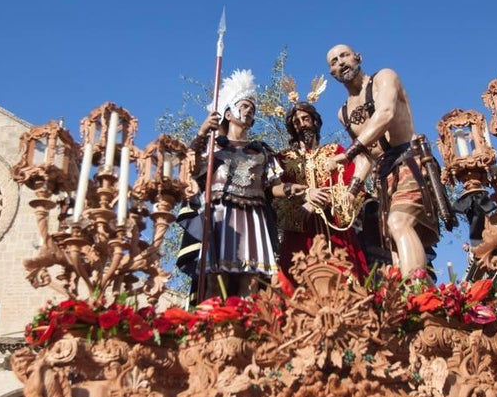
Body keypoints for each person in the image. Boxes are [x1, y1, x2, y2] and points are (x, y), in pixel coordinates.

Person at [326, 44, 441, 278]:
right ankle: (415, 302)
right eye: (334, 61)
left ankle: (417, 295)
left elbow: (385, 114)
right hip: (384, 174)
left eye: (344, 55)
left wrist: (347, 153)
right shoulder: (343, 112)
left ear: (358, 57)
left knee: (399, 223)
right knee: (392, 241)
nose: (341, 62)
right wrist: (352, 190)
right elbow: (366, 156)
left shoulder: (384, 78)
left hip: (409, 160)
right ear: (332, 73)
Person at [188, 70, 297, 297]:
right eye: (244, 105)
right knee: (215, 279)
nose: (249, 111)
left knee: (251, 279)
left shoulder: (261, 151)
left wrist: (288, 189)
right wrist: (201, 133)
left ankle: (248, 328)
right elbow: (189, 167)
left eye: (252, 108)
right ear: (228, 113)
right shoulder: (213, 147)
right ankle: (212, 326)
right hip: (220, 214)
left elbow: (272, 186)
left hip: (253, 216)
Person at [275, 101, 368, 278]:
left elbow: (355, 188)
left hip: (334, 232)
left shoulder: (335, 151)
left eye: (305, 119)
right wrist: (306, 201)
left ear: (314, 121)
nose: (302, 125)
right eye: (296, 122)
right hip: (300, 235)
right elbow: (276, 198)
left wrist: (329, 198)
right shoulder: (283, 159)